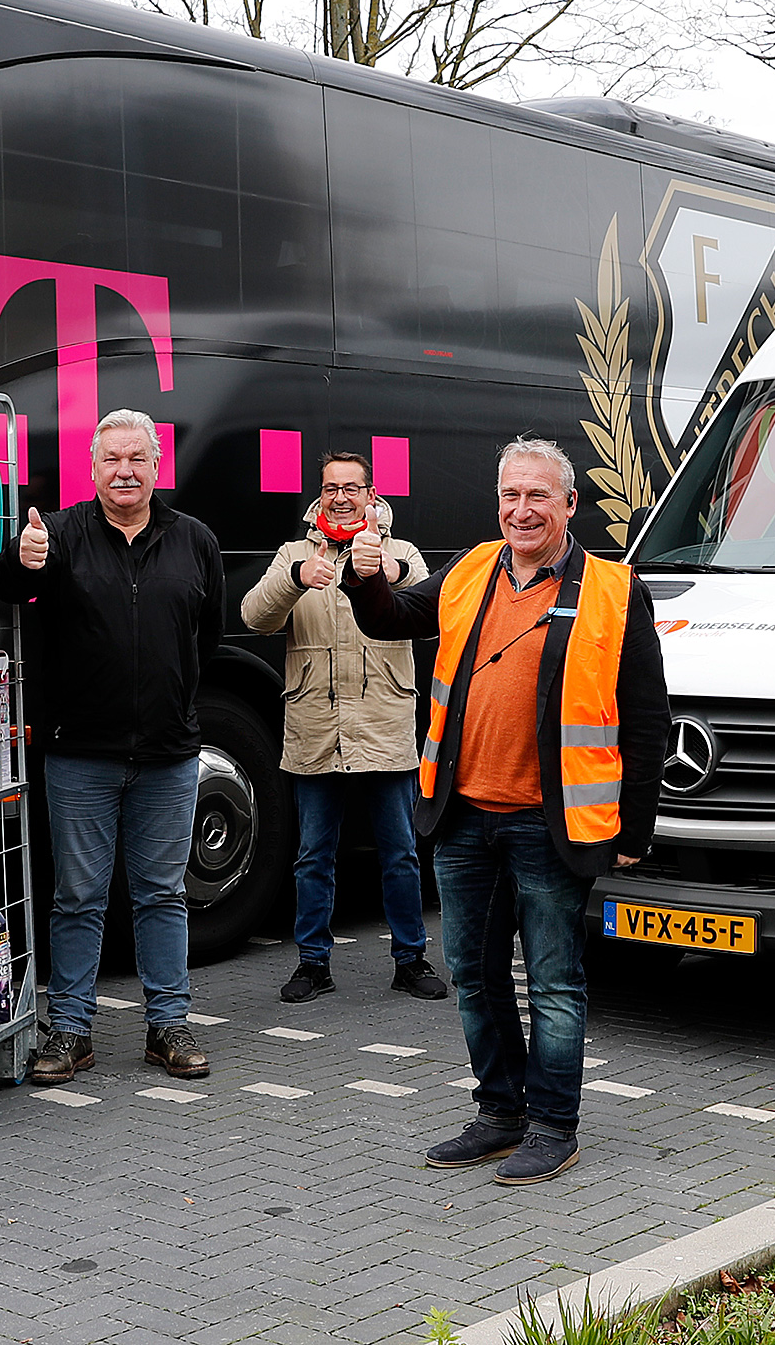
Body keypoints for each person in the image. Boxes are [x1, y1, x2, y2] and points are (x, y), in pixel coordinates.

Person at [345, 436, 666, 1186]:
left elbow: (647, 718)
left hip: (551, 824)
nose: (522, 511)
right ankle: (500, 1113)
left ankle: (555, 1125)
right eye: (510, 496)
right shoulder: (468, 572)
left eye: (538, 497)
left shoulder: (616, 591)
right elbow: (392, 619)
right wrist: (363, 583)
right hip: (461, 816)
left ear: (569, 505)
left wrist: (634, 829)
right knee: (474, 974)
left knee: (552, 981)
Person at [0, 408, 227, 1085]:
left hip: (169, 755)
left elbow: (205, 636)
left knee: (162, 895)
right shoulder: (58, 535)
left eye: (137, 459)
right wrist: (19, 558)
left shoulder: (196, 541)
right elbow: (8, 588)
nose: (124, 471)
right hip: (79, 755)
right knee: (78, 897)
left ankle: (168, 1026)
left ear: (158, 467)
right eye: (110, 460)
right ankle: (69, 1030)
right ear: (91, 468)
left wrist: (173, 696)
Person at [241, 453, 450, 1005]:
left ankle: (410, 959)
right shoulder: (295, 553)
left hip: (384, 726)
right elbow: (252, 616)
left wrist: (377, 568)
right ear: (320, 493)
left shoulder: (400, 551)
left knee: (401, 853)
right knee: (314, 855)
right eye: (331, 487)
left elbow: (429, 611)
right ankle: (313, 964)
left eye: (352, 488)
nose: (340, 497)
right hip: (316, 728)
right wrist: (294, 579)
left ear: (370, 492)